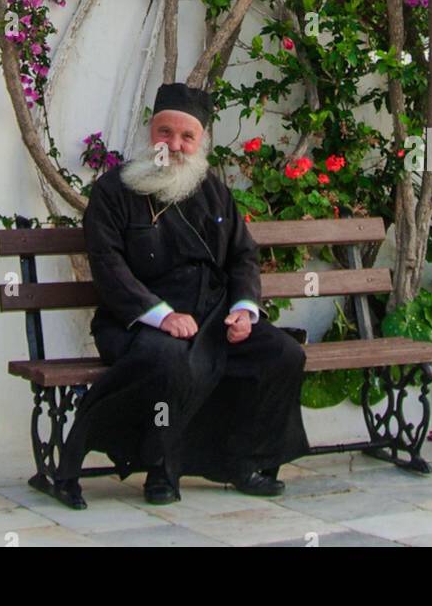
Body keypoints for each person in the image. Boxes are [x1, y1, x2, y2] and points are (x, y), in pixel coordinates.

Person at [52, 82, 310, 506]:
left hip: (212, 319)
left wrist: (244, 310)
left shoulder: (213, 191)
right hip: (135, 321)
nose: (174, 145)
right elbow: (108, 267)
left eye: (186, 136)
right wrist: (161, 315)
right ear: (149, 134)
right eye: (164, 133)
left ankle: (244, 461)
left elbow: (243, 256)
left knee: (282, 354)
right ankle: (160, 470)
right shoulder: (114, 192)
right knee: (171, 360)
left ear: (201, 142)